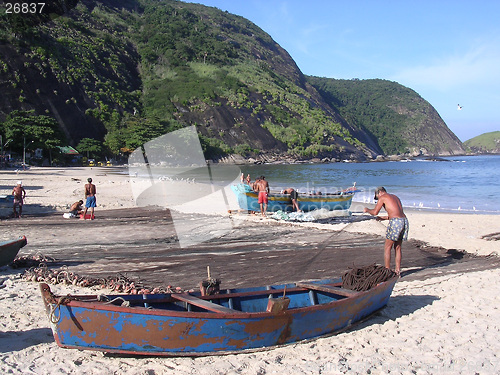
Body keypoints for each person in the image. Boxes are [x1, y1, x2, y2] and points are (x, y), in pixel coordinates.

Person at [363, 187, 409, 276]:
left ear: (379, 192)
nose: (378, 199)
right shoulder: (395, 197)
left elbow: (375, 212)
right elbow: (396, 213)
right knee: (398, 247)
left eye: (377, 197)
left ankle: (387, 271)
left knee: (388, 247)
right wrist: (382, 218)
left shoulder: (383, 197)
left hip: (395, 222)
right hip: (404, 221)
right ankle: (398, 271)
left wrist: (367, 210)